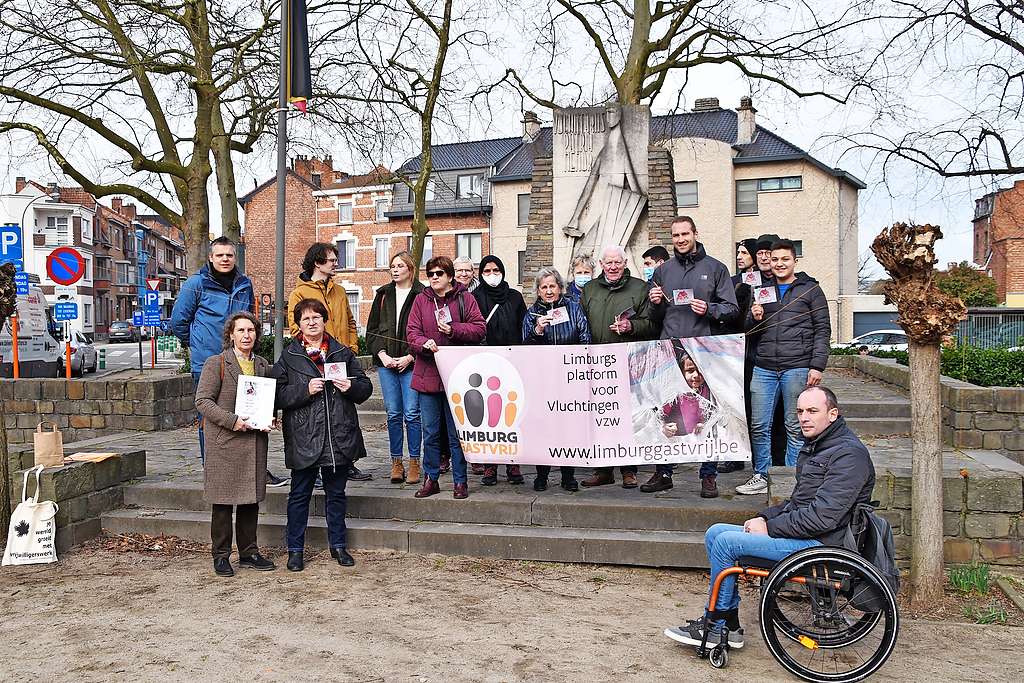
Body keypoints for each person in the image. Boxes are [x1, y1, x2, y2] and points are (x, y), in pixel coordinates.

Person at [664, 386, 874, 651]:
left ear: (832, 414)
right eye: (800, 411)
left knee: (728, 543)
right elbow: (797, 503)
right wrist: (762, 517)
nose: (804, 417)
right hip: (812, 536)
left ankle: (716, 625)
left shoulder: (848, 455)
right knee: (716, 532)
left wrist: (770, 527)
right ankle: (728, 620)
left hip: (825, 545)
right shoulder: (819, 447)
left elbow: (822, 518)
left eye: (812, 411)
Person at [169, 237, 287, 486]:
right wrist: (197, 345)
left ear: (235, 257)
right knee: (211, 418)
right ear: (211, 258)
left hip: (243, 359)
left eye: (229, 255)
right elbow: (178, 322)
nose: (225, 259)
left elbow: (249, 319)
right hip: (209, 362)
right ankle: (213, 469)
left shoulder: (244, 283)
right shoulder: (196, 284)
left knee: (250, 414)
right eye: (220, 255)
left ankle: (254, 470)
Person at [272, 298, 373, 571]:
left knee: (336, 494)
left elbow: (365, 389)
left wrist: (349, 387)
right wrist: (304, 390)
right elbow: (276, 396)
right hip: (304, 436)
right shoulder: (290, 356)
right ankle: (295, 550)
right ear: (299, 325)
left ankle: (338, 546)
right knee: (299, 495)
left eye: (316, 317)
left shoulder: (341, 352)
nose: (312, 322)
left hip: (338, 435)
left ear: (324, 320)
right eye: (306, 319)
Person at [644, 217, 737, 497]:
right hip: (669, 348)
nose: (681, 239)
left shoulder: (716, 268)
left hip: (704, 350)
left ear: (695, 233)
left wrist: (709, 309)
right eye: (676, 235)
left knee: (707, 412)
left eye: (685, 233)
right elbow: (654, 317)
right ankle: (663, 473)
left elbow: (731, 308)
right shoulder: (663, 271)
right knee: (665, 410)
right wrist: (654, 303)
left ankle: (708, 475)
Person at [737, 239, 831, 496]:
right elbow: (747, 330)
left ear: (794, 261)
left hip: (797, 366)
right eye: (775, 259)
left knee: (794, 425)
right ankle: (761, 474)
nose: (779, 264)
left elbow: (823, 330)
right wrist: (752, 317)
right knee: (759, 425)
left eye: (784, 259)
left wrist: (817, 365)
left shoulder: (811, 290)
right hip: (764, 366)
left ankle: (791, 477)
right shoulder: (761, 290)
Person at [194, 312, 276, 577]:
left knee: (250, 500)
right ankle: (220, 555)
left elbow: (269, 401)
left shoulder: (263, 364)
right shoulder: (216, 363)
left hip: (253, 441)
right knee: (222, 502)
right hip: (225, 442)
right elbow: (203, 402)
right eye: (240, 330)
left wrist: (271, 418)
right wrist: (232, 421)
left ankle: (249, 551)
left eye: (251, 330)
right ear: (230, 334)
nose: (246, 335)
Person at [287, 242, 370, 483]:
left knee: (344, 411)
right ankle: (319, 463)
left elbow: (351, 323)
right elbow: (295, 328)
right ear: (317, 263)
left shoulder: (341, 291)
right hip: (314, 362)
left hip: (340, 358)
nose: (336, 263)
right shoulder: (299, 293)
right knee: (319, 413)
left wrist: (351, 348)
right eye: (332, 259)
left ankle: (346, 461)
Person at [406, 256, 487, 499]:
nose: (434, 278)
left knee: (456, 432)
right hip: (428, 374)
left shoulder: (465, 298)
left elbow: (480, 328)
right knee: (430, 432)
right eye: (430, 273)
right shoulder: (421, 300)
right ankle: (431, 478)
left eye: (439, 273)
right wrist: (423, 343)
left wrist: (454, 330)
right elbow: (412, 333)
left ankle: (460, 481)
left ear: (450, 276)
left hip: (458, 377)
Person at [579, 245, 657, 489]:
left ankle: (629, 469)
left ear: (625, 263)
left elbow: (652, 325)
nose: (613, 267)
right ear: (601, 264)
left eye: (617, 263)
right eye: (608, 263)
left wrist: (630, 327)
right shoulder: (589, 289)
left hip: (628, 363)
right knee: (600, 417)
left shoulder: (640, 288)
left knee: (627, 417)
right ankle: (602, 469)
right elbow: (581, 323)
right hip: (596, 364)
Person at [522, 266, 591, 492]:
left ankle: (568, 475)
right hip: (544, 382)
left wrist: (578, 367)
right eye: (544, 287)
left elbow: (585, 338)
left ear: (560, 288)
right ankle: (542, 475)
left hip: (570, 380)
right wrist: (537, 331)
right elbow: (524, 349)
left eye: (552, 286)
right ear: (538, 291)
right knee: (544, 428)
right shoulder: (531, 314)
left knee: (568, 428)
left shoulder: (573, 308)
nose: (549, 291)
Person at [366, 251, 425, 486]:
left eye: (400, 265)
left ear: (410, 268)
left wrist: (410, 357)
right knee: (393, 414)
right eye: (392, 266)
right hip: (386, 364)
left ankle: (414, 462)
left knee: (412, 413)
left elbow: (426, 330)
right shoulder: (383, 294)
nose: (395, 269)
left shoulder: (422, 294)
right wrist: (382, 354)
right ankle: (396, 461)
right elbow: (371, 331)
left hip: (411, 364)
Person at [473, 255, 528, 486]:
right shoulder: (474, 298)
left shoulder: (514, 297)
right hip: (485, 366)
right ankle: (489, 466)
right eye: (487, 270)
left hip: (512, 365)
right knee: (488, 416)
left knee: (511, 414)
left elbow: (524, 327)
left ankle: (513, 464)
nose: (492, 274)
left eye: (496, 269)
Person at [716, 238, 760, 475]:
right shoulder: (732, 283)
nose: (739, 256)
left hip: (757, 351)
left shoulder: (765, 282)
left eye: (744, 252)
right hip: (733, 350)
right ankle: (735, 454)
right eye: (738, 252)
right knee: (734, 404)